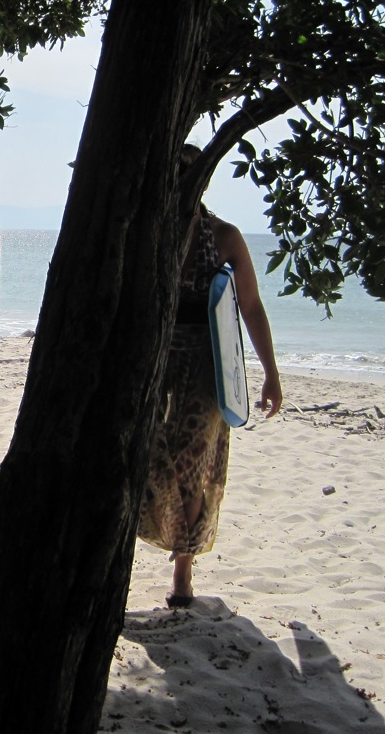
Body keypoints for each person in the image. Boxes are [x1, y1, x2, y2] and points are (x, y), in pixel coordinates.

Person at [137, 145, 283, 608]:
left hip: (209, 363)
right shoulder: (151, 233)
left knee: (196, 463)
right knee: (147, 453)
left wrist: (269, 373)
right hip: (154, 357)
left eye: (190, 176)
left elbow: (251, 306)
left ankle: (183, 569)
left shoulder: (225, 237)